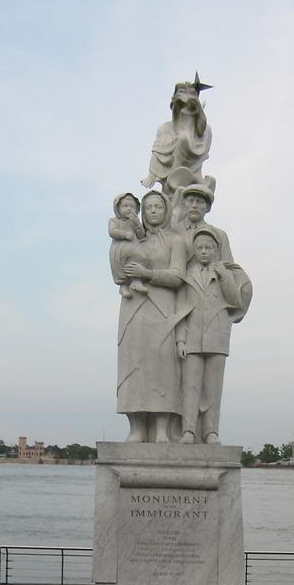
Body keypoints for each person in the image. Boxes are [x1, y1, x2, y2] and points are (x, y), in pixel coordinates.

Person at [117, 190, 188, 443]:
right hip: (134, 308)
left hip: (163, 308)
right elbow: (119, 263)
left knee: (163, 366)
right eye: (148, 208)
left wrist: (147, 273)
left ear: (166, 210)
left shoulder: (175, 241)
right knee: (134, 365)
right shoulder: (135, 240)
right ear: (142, 213)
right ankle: (136, 427)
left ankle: (161, 429)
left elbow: (178, 276)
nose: (153, 212)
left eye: (158, 207)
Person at [176, 230, 252, 444]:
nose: (203, 252)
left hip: (217, 336)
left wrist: (225, 276)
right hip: (192, 338)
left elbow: (235, 301)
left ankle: (211, 431)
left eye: (208, 248)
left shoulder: (223, 273)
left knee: (213, 389)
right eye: (199, 248)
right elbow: (181, 310)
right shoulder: (187, 274)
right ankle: (188, 430)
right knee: (190, 386)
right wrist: (180, 340)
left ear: (216, 251)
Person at [173, 183, 233, 263]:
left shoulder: (220, 236)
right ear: (184, 204)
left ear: (208, 208)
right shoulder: (172, 231)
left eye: (199, 202)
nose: (194, 205)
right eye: (191, 201)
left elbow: (229, 268)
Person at [108, 193, 148, 297]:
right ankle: (123, 286)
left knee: (142, 258)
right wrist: (124, 234)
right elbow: (112, 232)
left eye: (132, 207)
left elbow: (142, 235)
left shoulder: (134, 222)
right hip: (120, 248)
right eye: (125, 206)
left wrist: (137, 224)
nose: (129, 209)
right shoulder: (114, 221)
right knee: (120, 266)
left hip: (135, 248)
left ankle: (136, 281)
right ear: (118, 208)